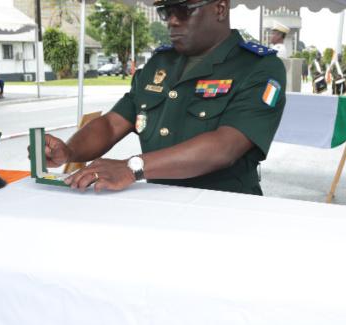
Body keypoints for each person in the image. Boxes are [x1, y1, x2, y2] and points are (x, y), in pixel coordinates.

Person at [41, 0, 286, 196]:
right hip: (157, 201)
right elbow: (112, 123)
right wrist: (70, 150)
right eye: (166, 11)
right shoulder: (160, 63)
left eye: (183, 9)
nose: (172, 20)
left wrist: (132, 167)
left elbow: (225, 146)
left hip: (224, 206)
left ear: (220, 8)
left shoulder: (258, 67)